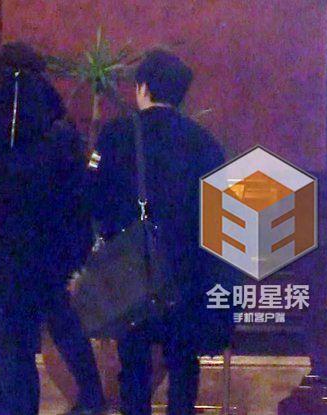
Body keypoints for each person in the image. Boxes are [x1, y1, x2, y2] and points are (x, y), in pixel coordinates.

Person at [0, 42, 104, 415]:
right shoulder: (59, 135)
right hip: (35, 263)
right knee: (18, 351)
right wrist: (73, 260)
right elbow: (76, 204)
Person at [91, 50, 233, 415]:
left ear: (142, 88)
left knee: (133, 361)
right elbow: (221, 216)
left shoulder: (115, 136)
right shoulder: (204, 143)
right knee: (183, 361)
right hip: (187, 270)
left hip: (132, 267)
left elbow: (95, 198)